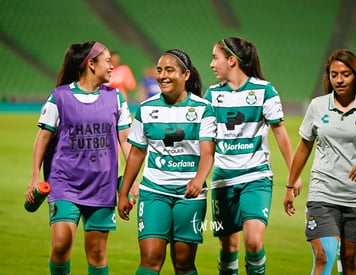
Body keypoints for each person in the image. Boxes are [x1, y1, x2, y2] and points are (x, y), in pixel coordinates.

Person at [283, 49, 356, 275]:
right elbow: (304, 146)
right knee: (323, 257)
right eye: (334, 74)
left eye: (345, 74)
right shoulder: (317, 106)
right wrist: (290, 185)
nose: (339, 79)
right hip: (323, 193)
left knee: (351, 264)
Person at [25, 41, 134, 275]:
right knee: (62, 244)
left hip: (103, 186)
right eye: (107, 61)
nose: (112, 66)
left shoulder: (116, 98)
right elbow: (43, 138)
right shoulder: (59, 97)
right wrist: (35, 176)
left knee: (97, 254)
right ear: (91, 64)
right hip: (64, 183)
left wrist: (132, 181)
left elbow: (126, 140)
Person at [204, 36, 301, 275]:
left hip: (256, 178)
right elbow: (207, 142)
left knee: (254, 243)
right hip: (223, 180)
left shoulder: (264, 91)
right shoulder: (212, 95)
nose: (211, 64)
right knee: (228, 247)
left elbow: (280, 132)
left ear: (232, 60)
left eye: (215, 58)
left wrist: (293, 174)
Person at [118, 49, 216, 275]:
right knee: (150, 259)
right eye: (159, 70)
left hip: (190, 195)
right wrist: (124, 193)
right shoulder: (146, 108)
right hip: (154, 191)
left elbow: (207, 153)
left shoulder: (203, 109)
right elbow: (136, 153)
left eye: (169, 70)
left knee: (183, 263)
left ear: (186, 75)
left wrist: (198, 180)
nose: (162, 75)